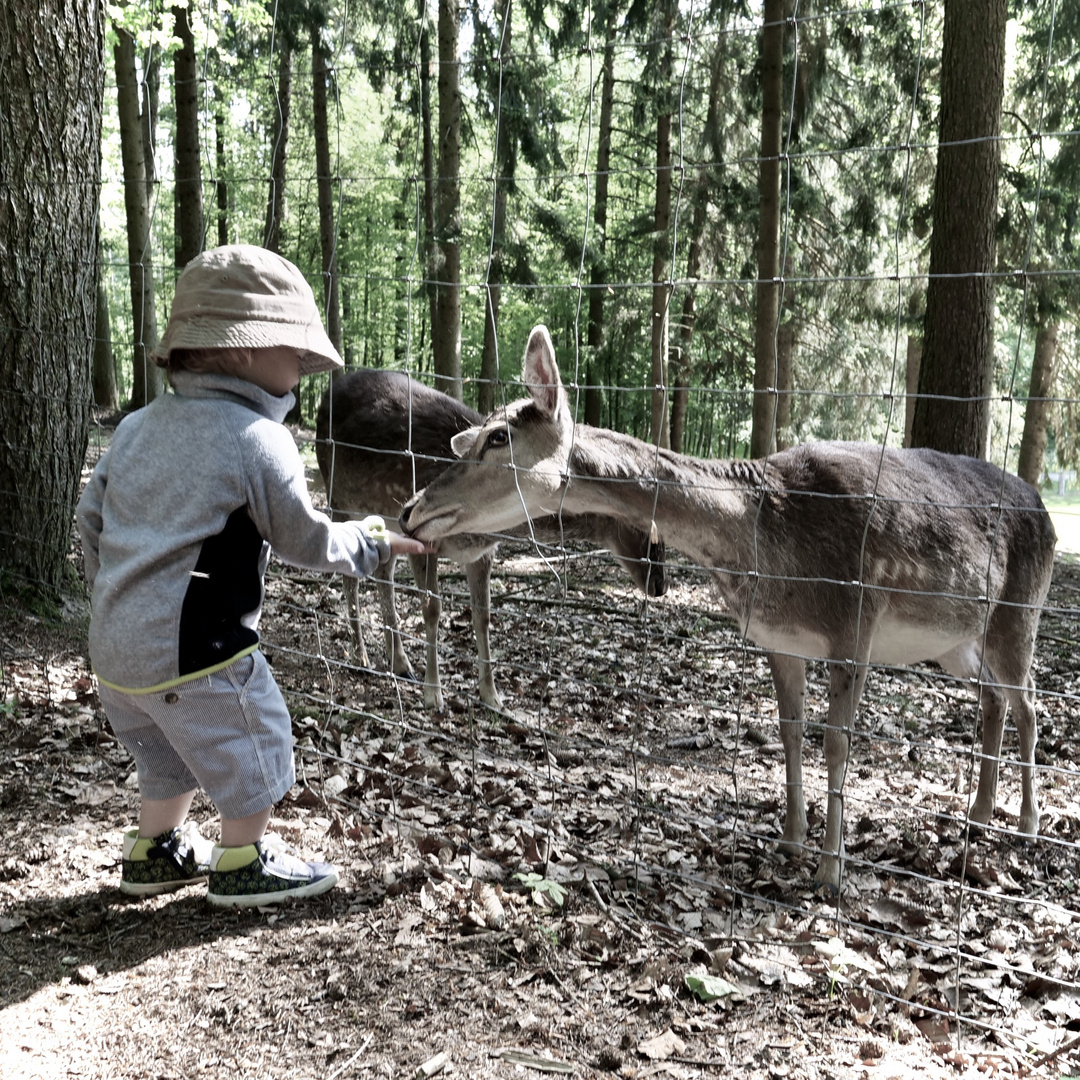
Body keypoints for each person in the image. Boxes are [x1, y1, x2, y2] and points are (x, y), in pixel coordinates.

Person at [76, 244, 427, 908]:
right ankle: (243, 860)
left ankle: (155, 851)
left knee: (164, 753)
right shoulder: (259, 440)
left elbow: (90, 526)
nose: (302, 366)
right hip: (195, 648)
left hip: (113, 648)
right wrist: (372, 538)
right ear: (239, 350)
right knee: (257, 726)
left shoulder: (135, 427)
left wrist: (114, 600)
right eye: (292, 349)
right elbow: (305, 539)